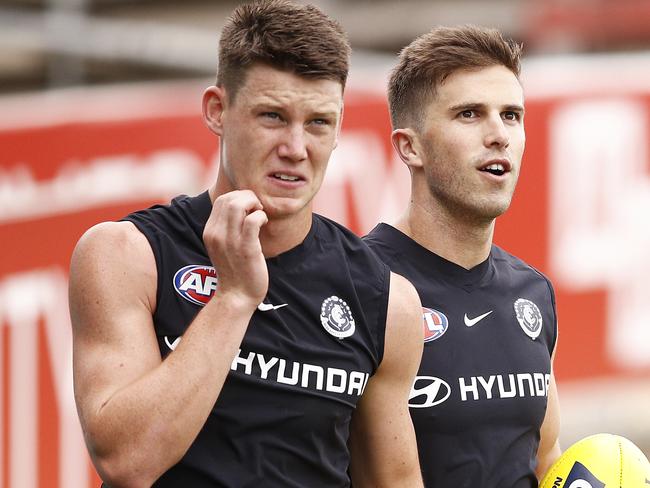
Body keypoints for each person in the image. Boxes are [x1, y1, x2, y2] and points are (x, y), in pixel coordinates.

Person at [68, 1, 424, 487]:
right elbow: (127, 461)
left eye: (318, 122)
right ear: (217, 110)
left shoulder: (386, 299)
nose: (296, 149)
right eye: (273, 116)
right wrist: (234, 297)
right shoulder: (126, 255)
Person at [364, 25, 562, 487]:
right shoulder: (359, 283)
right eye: (470, 114)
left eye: (511, 115)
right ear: (409, 146)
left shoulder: (532, 291)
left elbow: (547, 457)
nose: (499, 135)